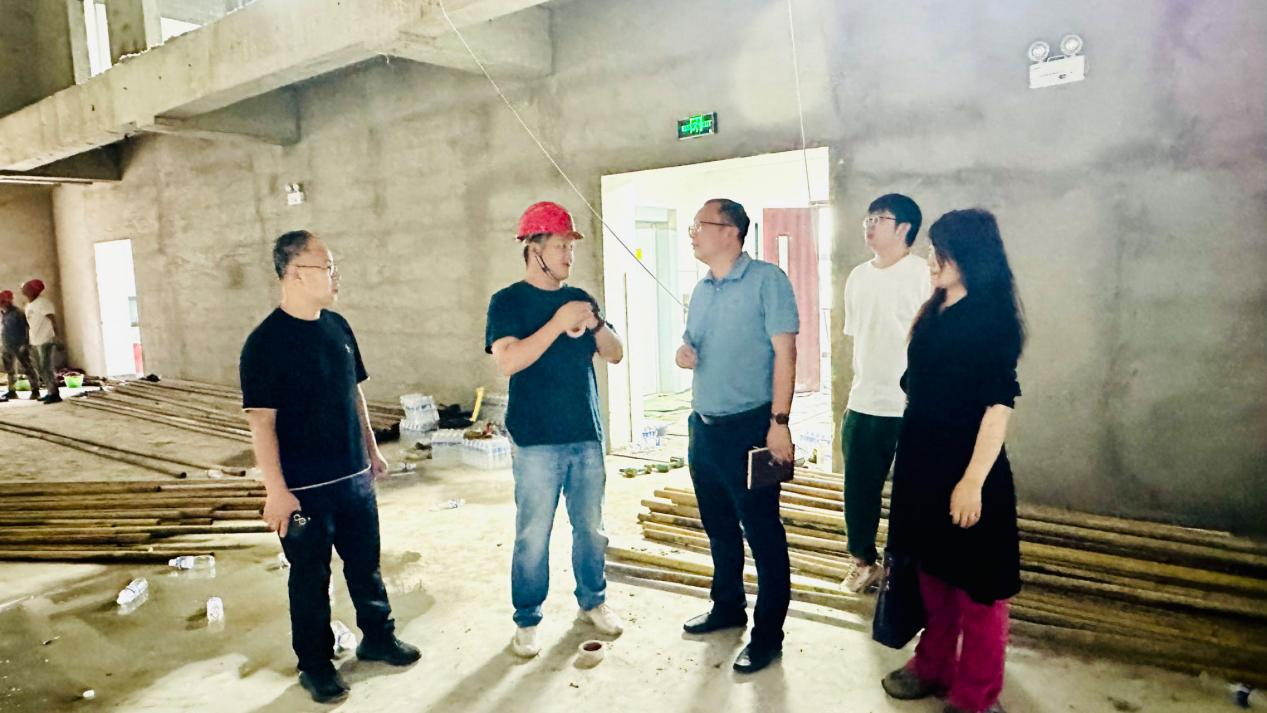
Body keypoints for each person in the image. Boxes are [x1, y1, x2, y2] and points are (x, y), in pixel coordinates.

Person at [240, 230, 419, 704]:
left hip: (353, 478)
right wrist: (276, 492)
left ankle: (378, 637)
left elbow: (354, 393)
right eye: (328, 267)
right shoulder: (264, 344)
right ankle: (315, 665)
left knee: (366, 566)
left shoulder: (338, 327)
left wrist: (372, 450)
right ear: (296, 274)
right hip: (304, 491)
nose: (336, 276)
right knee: (310, 578)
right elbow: (261, 423)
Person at [880, 209, 1026, 713]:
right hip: (922, 465)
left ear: (970, 256)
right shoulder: (936, 308)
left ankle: (977, 695)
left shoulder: (993, 320)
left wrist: (972, 482)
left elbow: (998, 408)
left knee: (979, 589)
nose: (931, 259)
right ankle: (934, 664)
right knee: (933, 574)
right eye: (932, 250)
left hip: (969, 469)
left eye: (940, 251)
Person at [486, 201, 626, 658]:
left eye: (571, 247)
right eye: (561, 246)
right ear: (535, 249)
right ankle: (527, 618)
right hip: (535, 439)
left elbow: (615, 353)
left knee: (591, 528)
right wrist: (557, 323)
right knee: (533, 534)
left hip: (585, 433)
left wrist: (594, 322)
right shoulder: (507, 302)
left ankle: (593, 601)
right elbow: (509, 361)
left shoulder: (581, 298)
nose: (569, 255)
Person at [676, 198, 799, 674]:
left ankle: (768, 636)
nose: (692, 233)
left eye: (698, 225)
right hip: (703, 426)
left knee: (763, 532)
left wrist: (780, 422)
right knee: (719, 526)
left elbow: (786, 354)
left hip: (752, 427)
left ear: (731, 232)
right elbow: (692, 344)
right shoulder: (702, 289)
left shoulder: (768, 281)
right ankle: (727, 606)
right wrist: (684, 353)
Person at [839, 194, 930, 593]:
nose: (869, 225)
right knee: (858, 491)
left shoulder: (923, 274)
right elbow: (860, 338)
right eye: (868, 218)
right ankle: (863, 563)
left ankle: (907, 572)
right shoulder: (858, 277)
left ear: (904, 228)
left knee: (914, 496)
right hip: (864, 400)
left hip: (911, 405)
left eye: (880, 218)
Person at [21, 279, 60, 403]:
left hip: (46, 340)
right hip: (35, 340)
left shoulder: (43, 303)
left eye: (27, 287)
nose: (23, 289)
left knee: (46, 367)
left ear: (34, 290)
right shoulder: (29, 305)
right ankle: (50, 391)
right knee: (40, 368)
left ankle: (54, 394)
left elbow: (52, 319)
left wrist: (57, 337)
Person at [1, 290, 40, 401]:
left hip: (19, 345)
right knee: (10, 370)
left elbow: (26, 329)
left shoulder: (18, 313)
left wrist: (25, 344)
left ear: (8, 301)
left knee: (27, 367)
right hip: (7, 345)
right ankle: (12, 391)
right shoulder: (4, 313)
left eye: (2, 302)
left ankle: (35, 390)